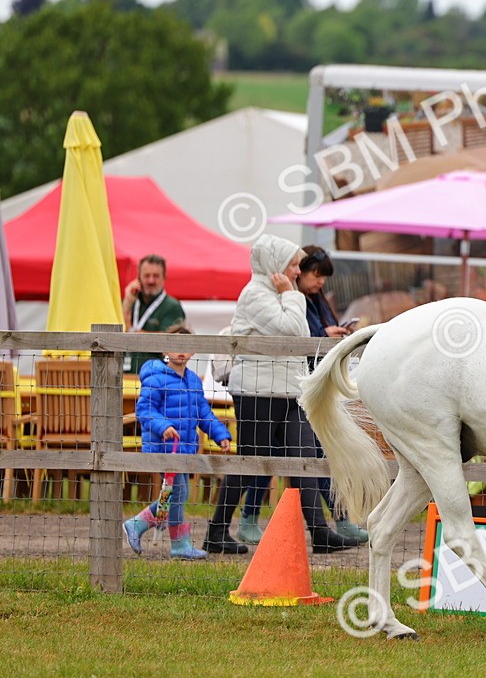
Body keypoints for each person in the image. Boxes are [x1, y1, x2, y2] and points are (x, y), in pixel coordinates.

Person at [203, 234, 360, 554]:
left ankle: (319, 533)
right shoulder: (255, 294)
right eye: (291, 265)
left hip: (290, 389)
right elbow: (292, 329)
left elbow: (299, 332)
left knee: (305, 458)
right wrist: (291, 294)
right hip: (258, 392)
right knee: (250, 460)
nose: (296, 271)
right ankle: (216, 532)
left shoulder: (279, 294)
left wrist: (289, 295)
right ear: (274, 265)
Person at [123, 324, 231, 559]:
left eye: (186, 347)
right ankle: (172, 541)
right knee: (178, 493)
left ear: (193, 352)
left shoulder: (193, 381)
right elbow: (145, 409)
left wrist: (220, 434)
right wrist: (164, 427)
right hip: (163, 448)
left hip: (184, 449)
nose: (181, 352)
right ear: (164, 349)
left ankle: (140, 526)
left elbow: (204, 413)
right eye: (175, 347)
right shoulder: (155, 377)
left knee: (175, 494)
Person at [296, 244, 369, 543]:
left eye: (323, 276)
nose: (321, 281)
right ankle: (336, 522)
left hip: (319, 385)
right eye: (316, 274)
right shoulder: (298, 302)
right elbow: (302, 337)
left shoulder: (317, 301)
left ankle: (340, 521)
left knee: (320, 455)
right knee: (310, 457)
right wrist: (326, 335)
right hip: (307, 386)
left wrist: (334, 332)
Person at [121, 254, 187, 374]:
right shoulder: (130, 301)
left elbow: (168, 341)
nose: (151, 280)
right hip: (125, 375)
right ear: (138, 278)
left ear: (164, 278)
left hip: (157, 378)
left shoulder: (172, 307)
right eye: (146, 276)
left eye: (156, 276)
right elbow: (115, 333)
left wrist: (131, 331)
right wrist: (126, 304)